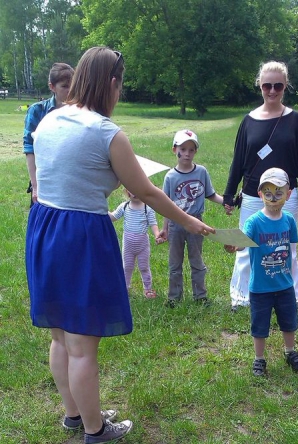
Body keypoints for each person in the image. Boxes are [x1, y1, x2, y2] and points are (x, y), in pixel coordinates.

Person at [25, 47, 215, 444]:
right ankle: (96, 431)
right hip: (81, 235)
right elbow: (146, 190)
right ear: (112, 82)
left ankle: (74, 415)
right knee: (81, 346)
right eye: (121, 83)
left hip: (44, 227)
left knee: (60, 335)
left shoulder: (48, 119)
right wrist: (191, 222)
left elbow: (65, 172)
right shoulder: (106, 133)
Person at [223, 61, 298, 311]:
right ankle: (242, 295)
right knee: (246, 245)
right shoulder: (248, 120)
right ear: (260, 86)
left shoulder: (295, 120)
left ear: (285, 86)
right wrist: (229, 194)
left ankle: (293, 294)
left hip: (286, 196)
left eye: (278, 86)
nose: (272, 91)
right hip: (254, 194)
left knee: (287, 245)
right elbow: (238, 160)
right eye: (267, 85)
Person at [225, 168, 298, 376]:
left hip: (285, 285)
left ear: (288, 194)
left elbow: (291, 249)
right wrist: (235, 246)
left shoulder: (289, 220)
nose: (273, 197)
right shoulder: (254, 222)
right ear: (260, 194)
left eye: (279, 192)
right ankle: (259, 359)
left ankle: (290, 352)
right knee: (259, 326)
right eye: (268, 192)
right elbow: (243, 244)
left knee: (289, 322)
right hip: (260, 287)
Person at [158, 129, 223, 307]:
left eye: (191, 149)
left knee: (197, 261)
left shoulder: (201, 172)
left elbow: (211, 194)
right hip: (176, 224)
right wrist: (165, 228)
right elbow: (166, 205)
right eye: (183, 149)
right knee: (174, 263)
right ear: (174, 149)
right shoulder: (170, 177)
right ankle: (174, 297)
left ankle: (200, 296)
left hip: (196, 223)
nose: (187, 153)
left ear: (196, 151)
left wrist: (226, 202)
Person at [23, 62, 74, 207]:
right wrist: (35, 186)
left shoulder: (81, 113)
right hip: (43, 179)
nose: (70, 90)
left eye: (73, 85)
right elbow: (29, 147)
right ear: (52, 87)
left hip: (69, 180)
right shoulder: (37, 111)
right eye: (64, 86)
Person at [109, 188, 163, 298]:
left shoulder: (147, 208)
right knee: (127, 267)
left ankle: (147, 289)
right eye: (131, 190)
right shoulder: (124, 206)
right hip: (128, 247)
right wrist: (101, 210)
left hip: (142, 246)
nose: (135, 193)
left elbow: (153, 223)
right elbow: (113, 217)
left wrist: (157, 234)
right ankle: (125, 288)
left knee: (144, 267)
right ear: (127, 192)